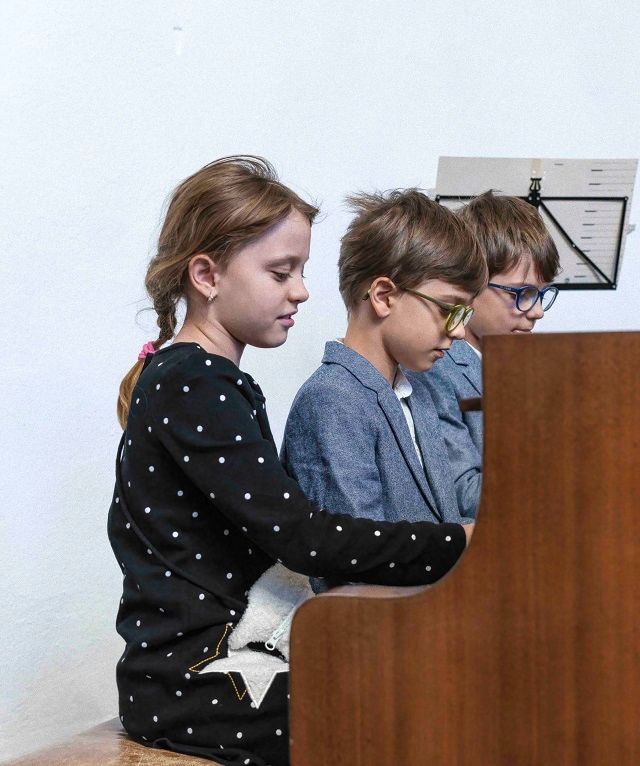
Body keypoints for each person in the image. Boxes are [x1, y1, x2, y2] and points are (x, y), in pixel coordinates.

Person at [109, 157, 470, 766]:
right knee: (423, 706)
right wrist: (460, 542)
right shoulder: (192, 384)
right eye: (281, 272)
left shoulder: (206, 379)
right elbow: (305, 539)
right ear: (207, 275)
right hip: (193, 680)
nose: (301, 290)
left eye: (301, 270)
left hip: (228, 658)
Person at [282, 192, 486, 573]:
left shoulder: (417, 392)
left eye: (465, 314)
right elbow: (352, 565)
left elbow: (445, 522)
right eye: (449, 309)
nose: (459, 331)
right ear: (383, 296)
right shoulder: (332, 401)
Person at [413, 191, 560, 518]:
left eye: (542, 294)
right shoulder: (435, 371)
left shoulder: (523, 365)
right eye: (522, 293)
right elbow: (463, 495)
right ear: (470, 286)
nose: (537, 311)